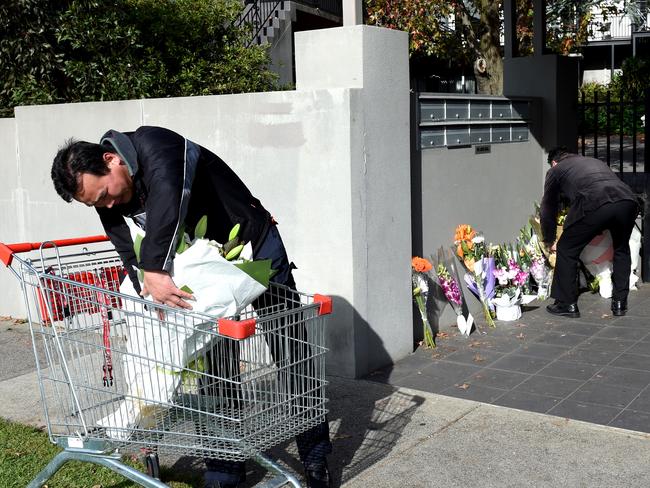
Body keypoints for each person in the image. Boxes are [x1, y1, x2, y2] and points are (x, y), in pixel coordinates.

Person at [51, 125, 332, 488]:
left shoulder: (158, 147)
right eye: (95, 204)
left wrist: (153, 267)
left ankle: (315, 458)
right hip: (200, 274)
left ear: (112, 159)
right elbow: (123, 241)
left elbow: (170, 199)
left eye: (104, 194)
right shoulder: (107, 193)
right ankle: (224, 469)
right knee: (214, 365)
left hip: (252, 248)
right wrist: (145, 288)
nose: (107, 205)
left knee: (290, 349)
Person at [540, 147, 640, 318]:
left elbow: (548, 208)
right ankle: (619, 303)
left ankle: (567, 303)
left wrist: (549, 238)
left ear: (554, 162)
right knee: (621, 249)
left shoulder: (556, 170)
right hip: (627, 201)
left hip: (596, 203)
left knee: (566, 248)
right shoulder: (593, 161)